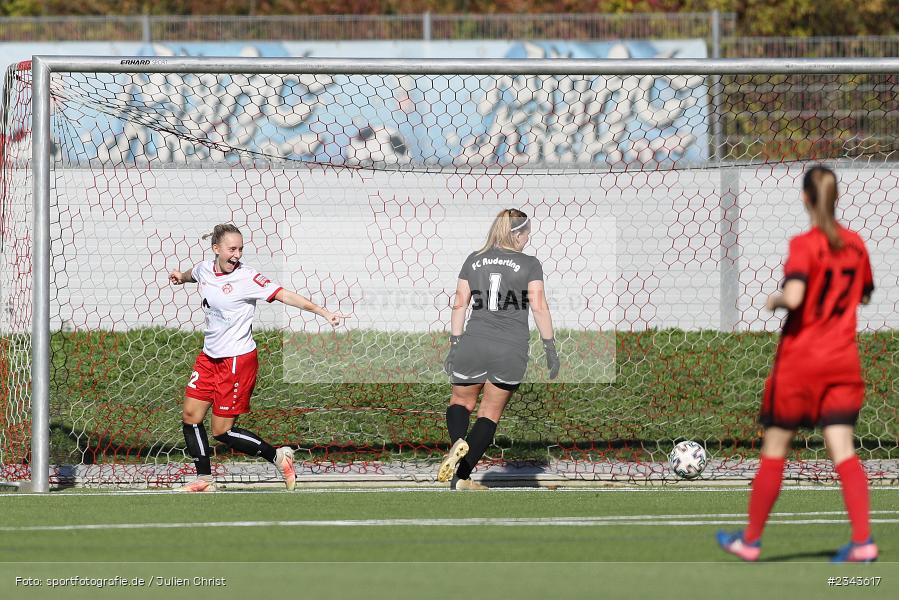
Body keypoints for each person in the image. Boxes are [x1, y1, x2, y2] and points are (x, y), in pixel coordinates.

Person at [717, 166, 877, 563]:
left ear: (805, 198)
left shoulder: (805, 245)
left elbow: (794, 296)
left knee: (775, 449)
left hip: (801, 363)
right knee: (843, 449)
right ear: (835, 198)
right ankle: (863, 542)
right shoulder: (856, 244)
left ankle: (750, 541)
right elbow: (864, 295)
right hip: (842, 361)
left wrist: (774, 299)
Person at [169, 223, 347, 492]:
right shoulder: (204, 268)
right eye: (232, 249)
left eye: (240, 249)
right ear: (216, 249)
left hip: (237, 361)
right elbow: (192, 274)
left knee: (221, 432)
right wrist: (180, 277)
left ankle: (279, 457)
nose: (237, 255)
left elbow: (284, 295)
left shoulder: (247, 277)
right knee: (190, 416)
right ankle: (204, 479)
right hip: (209, 357)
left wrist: (323, 313)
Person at [437, 209, 560, 490]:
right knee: (489, 414)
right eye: (527, 234)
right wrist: (550, 348)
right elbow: (539, 306)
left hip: (474, 342)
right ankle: (461, 477)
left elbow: (459, 304)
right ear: (517, 234)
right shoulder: (530, 264)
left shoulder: (474, 258)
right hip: (510, 348)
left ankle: (457, 444)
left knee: (460, 403)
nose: (528, 239)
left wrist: (454, 344)